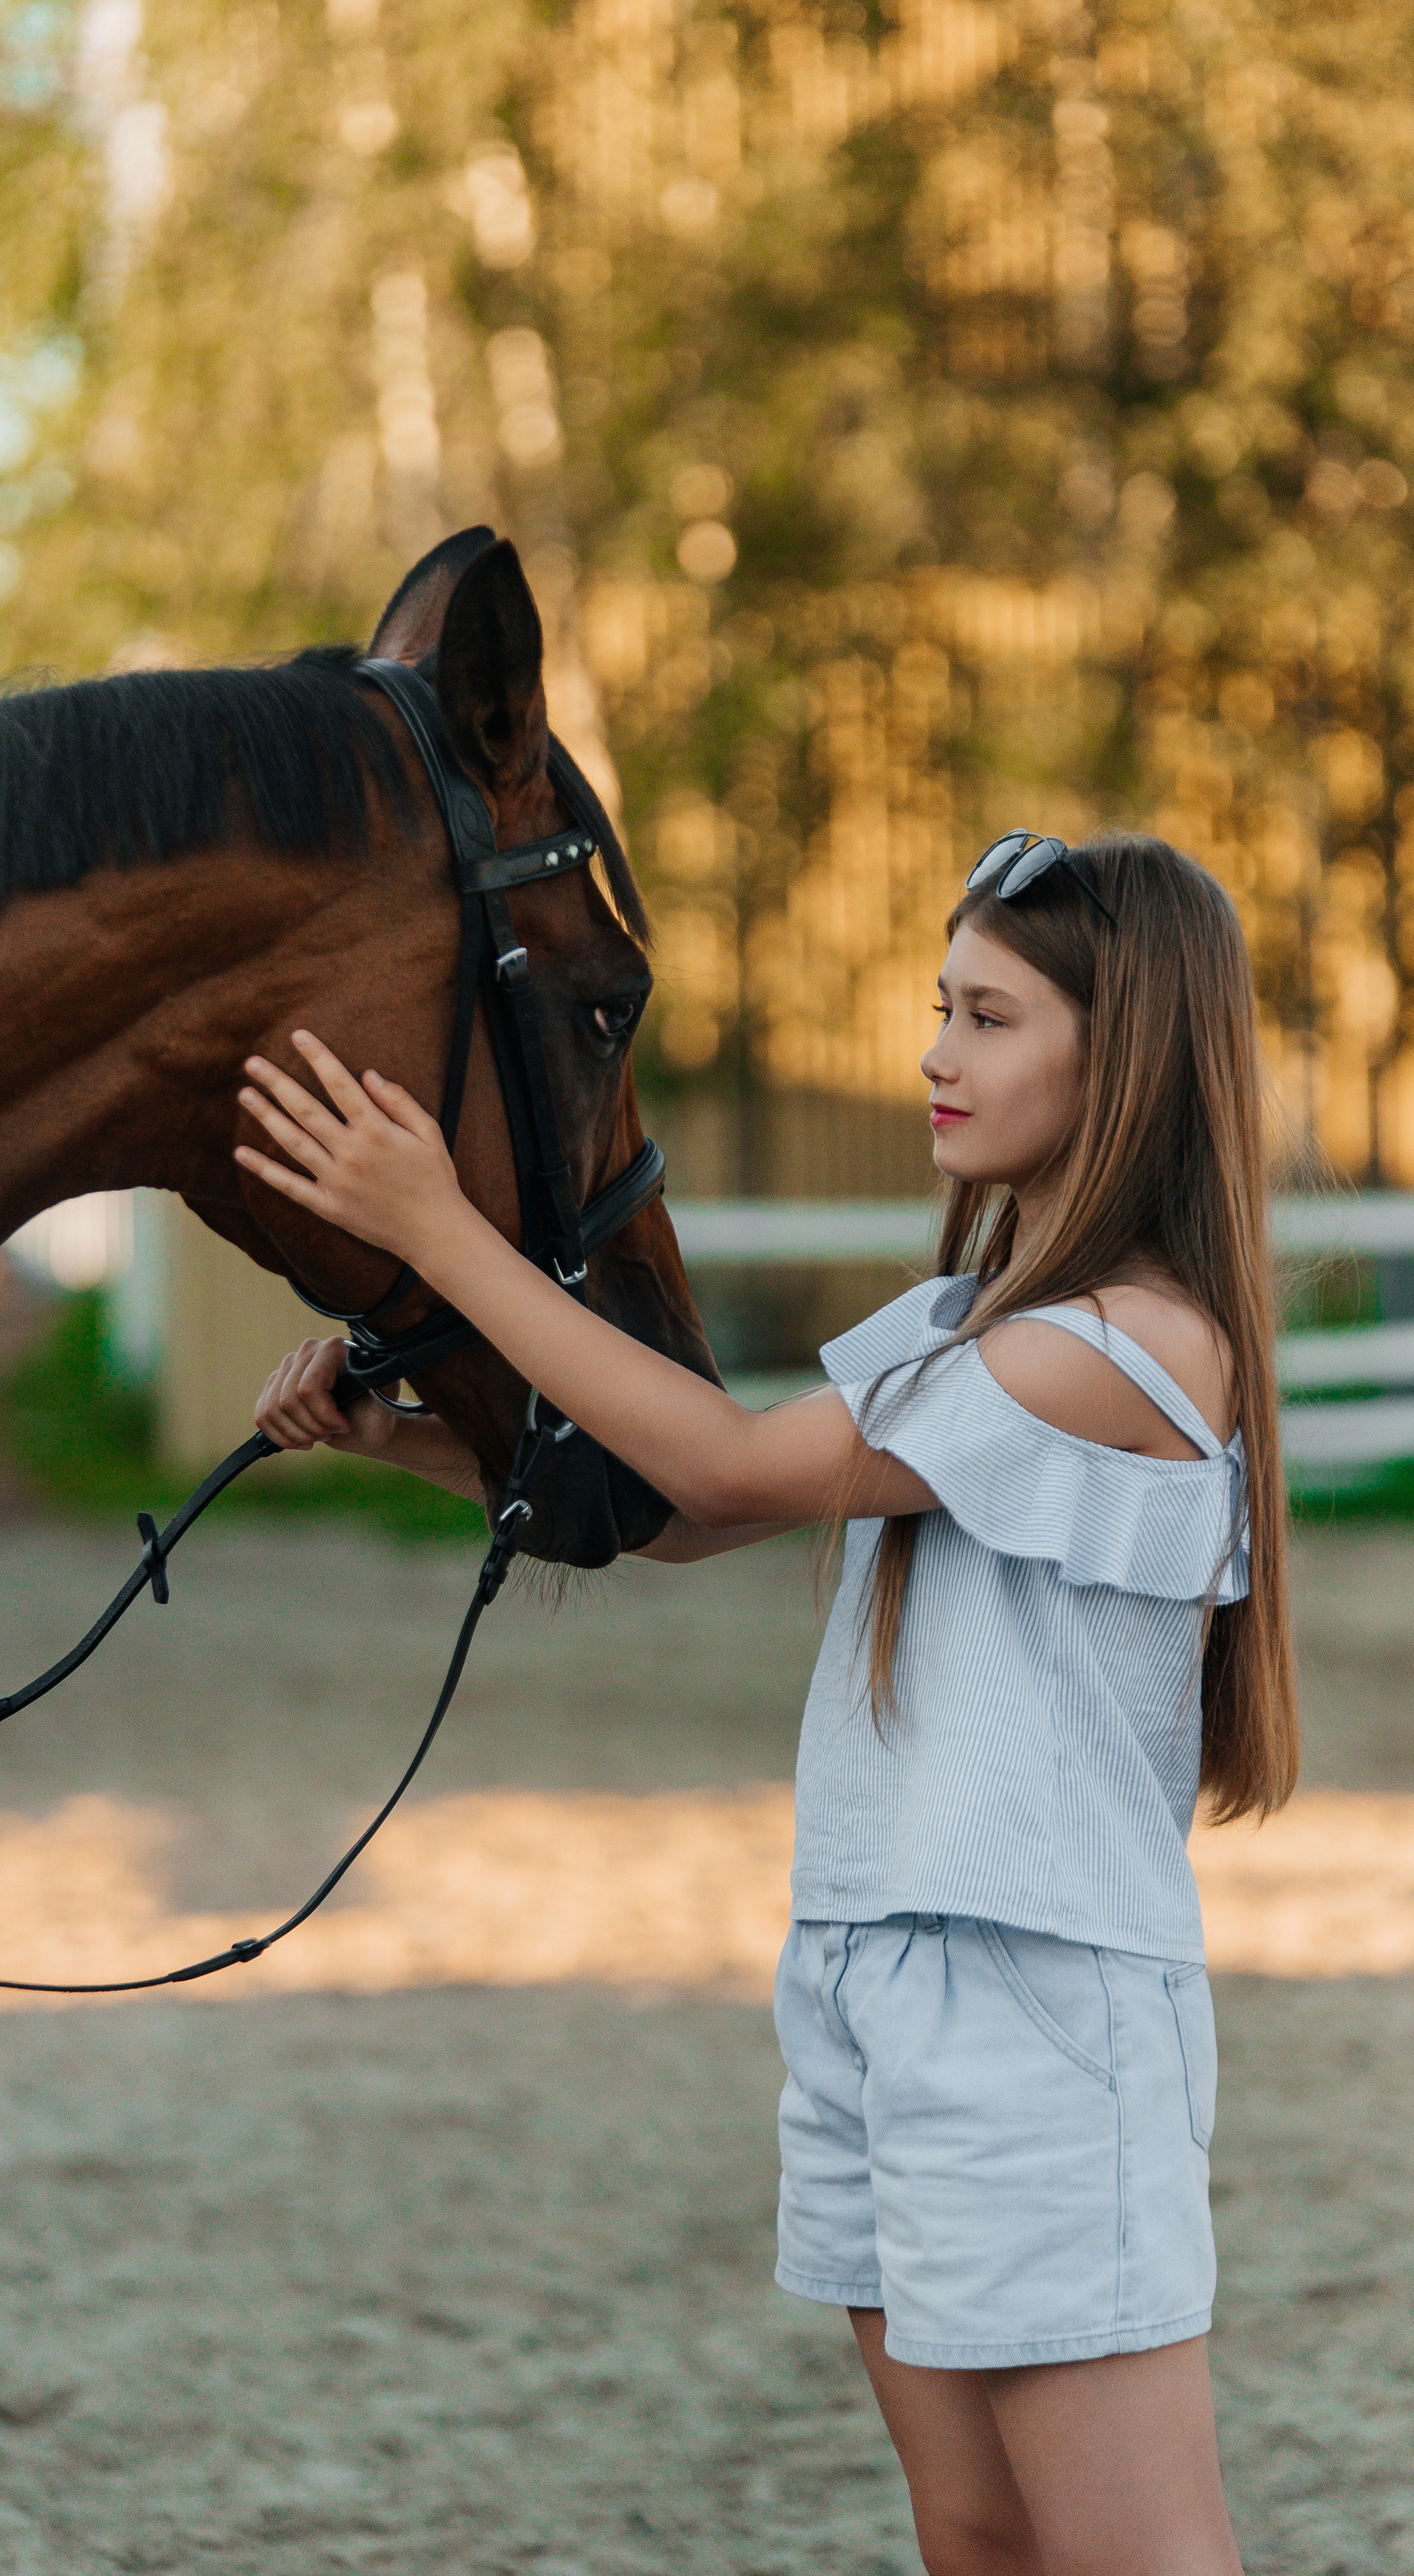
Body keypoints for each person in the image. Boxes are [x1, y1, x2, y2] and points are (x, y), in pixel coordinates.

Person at [236, 828, 1296, 2576]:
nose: (937, 1055)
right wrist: (404, 1441)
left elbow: (723, 1455)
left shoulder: (1132, 1344)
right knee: (977, 2535)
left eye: (990, 1018)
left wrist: (438, 1229)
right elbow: (693, 1513)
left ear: (1124, 1058)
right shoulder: (970, 1322)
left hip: (1037, 1997)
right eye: (942, 1007)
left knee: (1135, 2554)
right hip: (875, 1965)